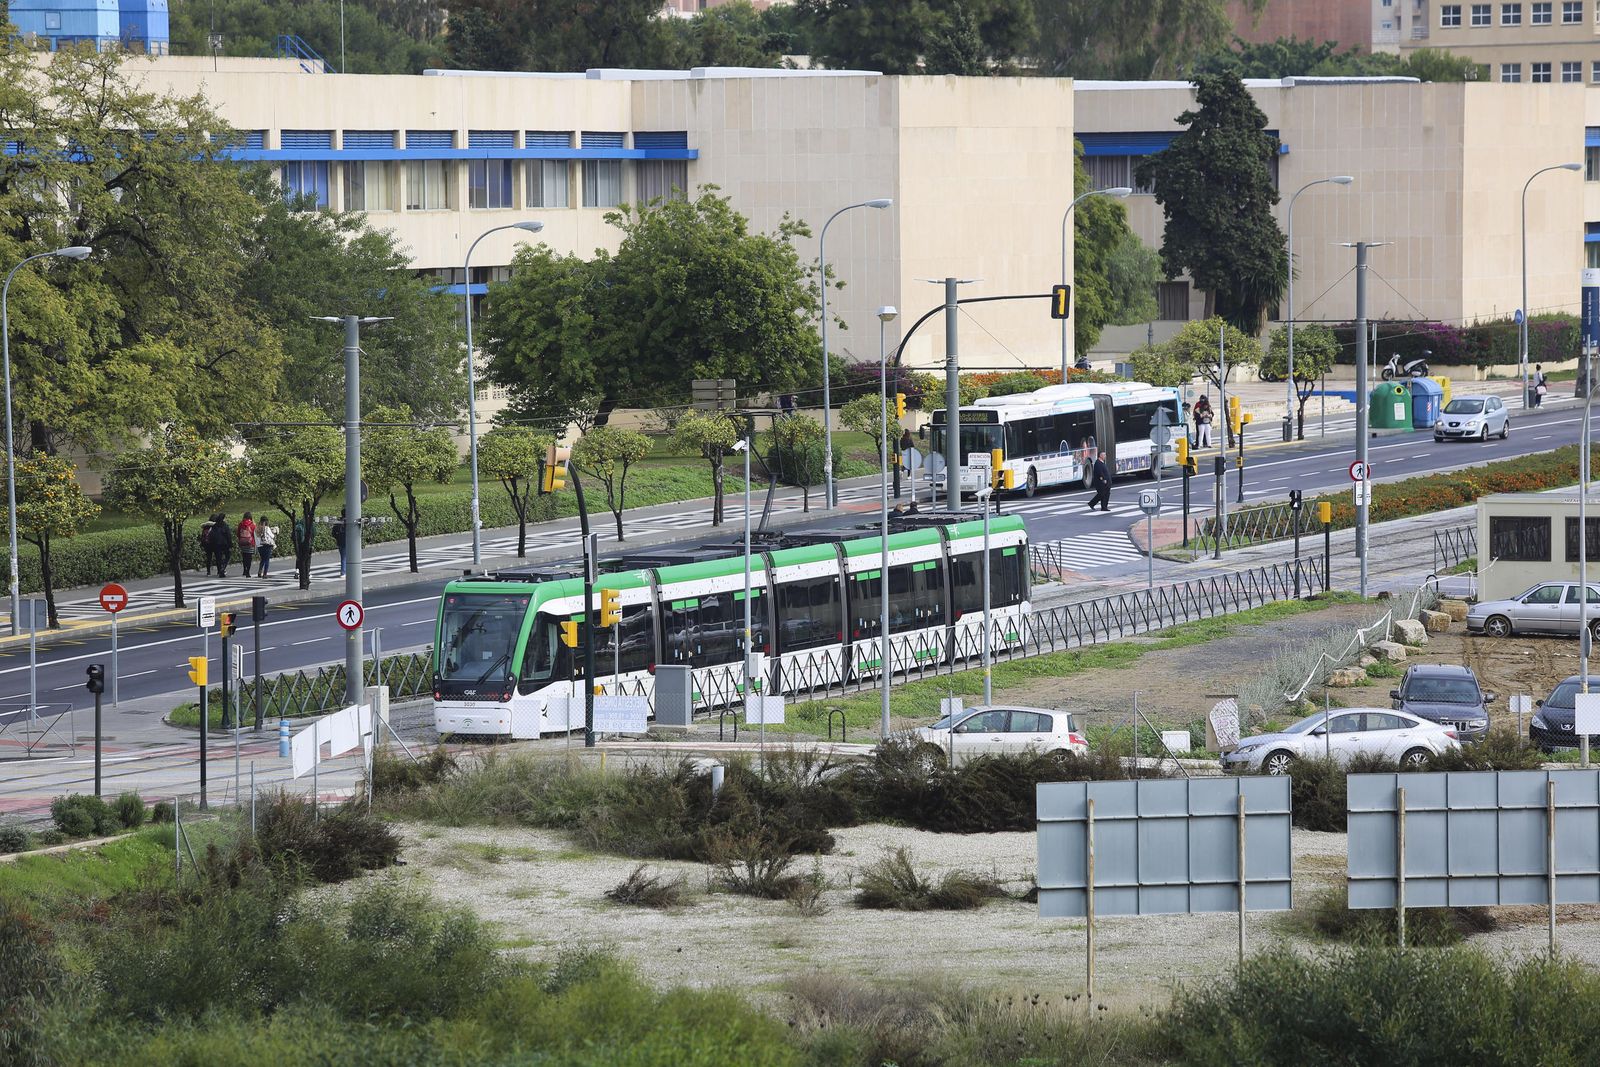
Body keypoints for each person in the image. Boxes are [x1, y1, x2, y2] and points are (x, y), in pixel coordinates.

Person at [209, 513, 234, 579]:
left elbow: (211, 535)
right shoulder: (225, 525)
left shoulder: (214, 526)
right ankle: (223, 568)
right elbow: (228, 535)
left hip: (216, 544)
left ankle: (220, 570)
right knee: (227, 556)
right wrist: (230, 544)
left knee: (218, 558)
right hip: (224, 543)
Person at [236, 512, 257, 577]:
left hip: (242, 543)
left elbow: (238, 533)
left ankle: (244, 570)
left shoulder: (241, 524)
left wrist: (241, 539)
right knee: (249, 558)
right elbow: (255, 535)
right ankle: (248, 572)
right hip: (250, 543)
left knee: (244, 557)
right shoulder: (253, 525)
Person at [332, 510, 347, 577]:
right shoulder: (349, 522)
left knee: (343, 557)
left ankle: (343, 572)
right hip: (348, 542)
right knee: (348, 558)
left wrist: (337, 538)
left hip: (340, 542)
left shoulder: (338, 522)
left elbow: (333, 533)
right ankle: (344, 572)